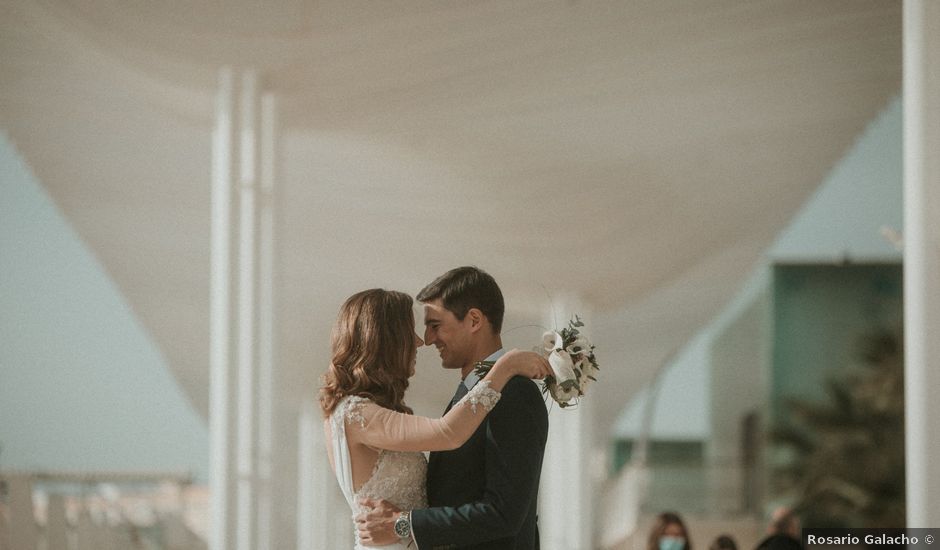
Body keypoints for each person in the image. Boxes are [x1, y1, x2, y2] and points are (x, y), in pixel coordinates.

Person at [321, 288, 551, 550]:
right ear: (387, 339)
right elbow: (448, 433)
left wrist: (403, 523)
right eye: (411, 332)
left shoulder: (358, 413)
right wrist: (504, 368)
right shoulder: (357, 416)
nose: (421, 342)